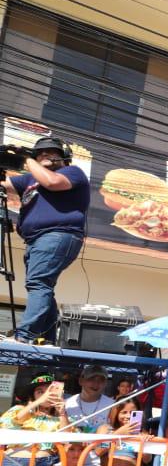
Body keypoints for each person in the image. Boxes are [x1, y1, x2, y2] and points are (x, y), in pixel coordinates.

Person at [1, 136, 89, 344]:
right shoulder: (31, 180)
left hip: (58, 235)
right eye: (40, 153)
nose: (45, 155)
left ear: (64, 158)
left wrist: (28, 159)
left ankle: (25, 335)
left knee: (38, 283)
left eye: (52, 152)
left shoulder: (71, 172)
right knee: (42, 286)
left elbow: (51, 182)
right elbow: (6, 185)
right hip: (36, 240)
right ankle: (47, 337)